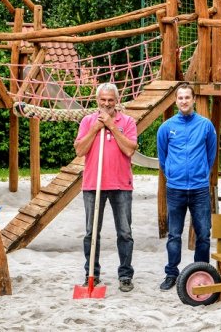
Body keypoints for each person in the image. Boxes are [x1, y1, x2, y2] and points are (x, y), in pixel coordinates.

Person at [74, 82, 138, 292]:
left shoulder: (127, 121)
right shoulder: (87, 121)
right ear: (97, 100)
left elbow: (129, 149)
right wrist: (95, 128)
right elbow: (80, 150)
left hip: (121, 184)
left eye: (111, 100)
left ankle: (125, 275)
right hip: (93, 184)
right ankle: (91, 274)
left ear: (117, 101)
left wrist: (111, 126)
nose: (107, 103)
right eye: (103, 99)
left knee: (125, 232)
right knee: (91, 232)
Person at [156, 83, 217, 291]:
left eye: (187, 97)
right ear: (176, 101)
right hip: (175, 188)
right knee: (174, 234)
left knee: (203, 234)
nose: (184, 101)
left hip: (199, 188)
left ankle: (201, 272)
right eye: (180, 98)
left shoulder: (206, 125)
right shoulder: (166, 128)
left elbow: (210, 155)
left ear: (193, 99)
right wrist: (173, 174)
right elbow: (163, 158)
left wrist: (201, 173)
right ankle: (171, 273)